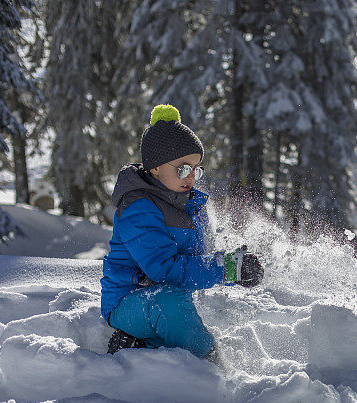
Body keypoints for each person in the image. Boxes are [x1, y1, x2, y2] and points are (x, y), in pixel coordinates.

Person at [100, 104, 264, 363]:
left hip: (164, 299)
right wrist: (229, 268)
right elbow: (164, 270)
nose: (191, 177)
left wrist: (234, 259)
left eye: (196, 169)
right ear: (155, 167)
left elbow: (199, 258)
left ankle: (139, 345)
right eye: (183, 168)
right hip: (127, 304)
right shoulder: (139, 207)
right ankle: (209, 367)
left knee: (172, 306)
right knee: (169, 304)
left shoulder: (187, 204)